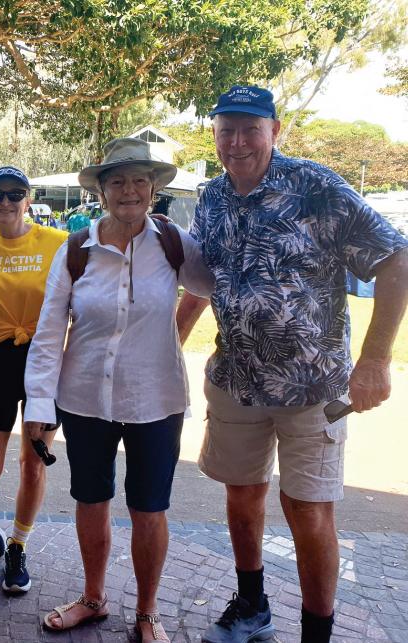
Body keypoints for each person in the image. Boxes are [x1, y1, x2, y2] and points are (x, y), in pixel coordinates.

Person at [175, 86, 408, 643]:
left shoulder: (316, 187)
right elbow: (204, 280)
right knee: (241, 494)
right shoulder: (212, 197)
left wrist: (375, 359)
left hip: (313, 386)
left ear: (274, 131)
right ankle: (251, 607)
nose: (237, 142)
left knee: (308, 509)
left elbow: (396, 257)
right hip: (236, 381)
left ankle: (316, 635)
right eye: (226, 130)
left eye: (249, 129)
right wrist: (170, 344)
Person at [24, 138, 215, 640]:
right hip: (84, 398)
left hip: (156, 399)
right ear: (102, 191)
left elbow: (213, 284)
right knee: (91, 500)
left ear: (153, 188)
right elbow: (49, 332)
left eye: (139, 181)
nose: (129, 190)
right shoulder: (75, 249)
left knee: (149, 509)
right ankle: (93, 598)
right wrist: (39, 405)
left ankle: (148, 612)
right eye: (117, 181)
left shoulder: (174, 243)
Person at [0, 166, 67, 593]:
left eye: (15, 193)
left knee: (33, 462)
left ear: (28, 199)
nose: (5, 201)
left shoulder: (58, 242)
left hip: (43, 361)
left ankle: (18, 546)